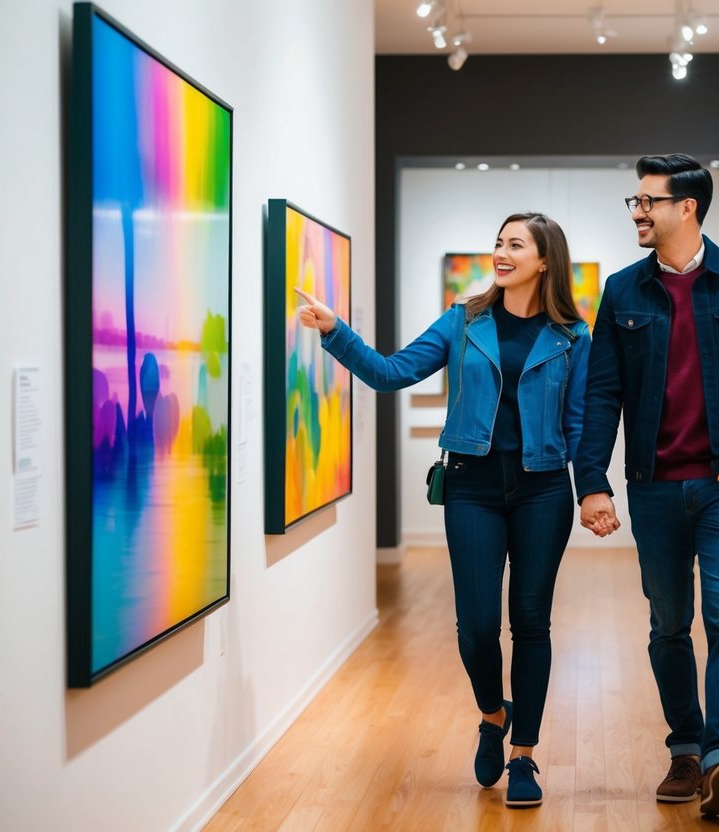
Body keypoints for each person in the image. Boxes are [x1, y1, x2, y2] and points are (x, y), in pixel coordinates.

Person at [296, 212, 591, 809]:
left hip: (542, 490)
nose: (501, 254)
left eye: (515, 245)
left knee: (531, 622)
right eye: (498, 243)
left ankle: (525, 757)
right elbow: (393, 372)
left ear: (544, 260)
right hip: (471, 486)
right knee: (477, 626)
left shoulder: (572, 337)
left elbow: (580, 422)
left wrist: (591, 490)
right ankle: (492, 713)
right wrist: (335, 331)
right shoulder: (464, 321)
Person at [575, 154, 719, 817]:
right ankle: (685, 750)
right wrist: (591, 481)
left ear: (687, 208)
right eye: (634, 201)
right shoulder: (621, 291)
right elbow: (601, 395)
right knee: (668, 625)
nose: (637, 211)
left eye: (648, 201)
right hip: (651, 487)